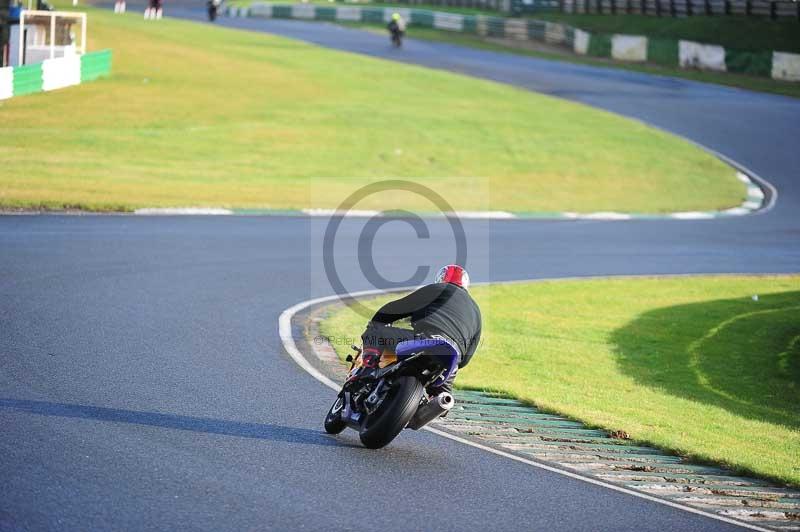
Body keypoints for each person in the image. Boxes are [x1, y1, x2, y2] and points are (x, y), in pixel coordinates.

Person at [357, 264, 481, 396]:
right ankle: (439, 404)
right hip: (452, 357)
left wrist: (376, 322)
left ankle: (367, 370)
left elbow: (399, 307)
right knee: (441, 398)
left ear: (441, 279)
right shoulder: (476, 311)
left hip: (427, 339)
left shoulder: (439, 288)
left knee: (375, 333)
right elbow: (468, 356)